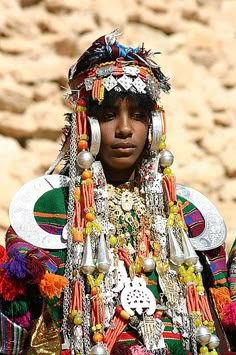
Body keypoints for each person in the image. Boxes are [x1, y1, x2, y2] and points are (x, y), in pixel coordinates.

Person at [0, 29, 234, 355]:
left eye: (138, 116)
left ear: (154, 127)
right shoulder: (51, 211)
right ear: (87, 127)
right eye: (109, 116)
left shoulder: (185, 215)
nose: (124, 129)